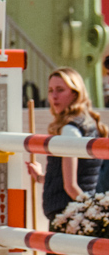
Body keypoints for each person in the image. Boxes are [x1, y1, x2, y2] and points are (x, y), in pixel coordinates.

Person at [26, 68, 102, 226]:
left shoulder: (70, 130)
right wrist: (40, 177)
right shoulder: (87, 124)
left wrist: (94, 213)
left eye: (60, 90)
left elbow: (71, 186)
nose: (54, 96)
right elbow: (69, 177)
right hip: (76, 210)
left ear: (75, 93)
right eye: (51, 90)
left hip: (69, 214)